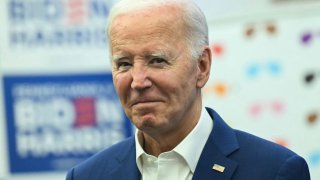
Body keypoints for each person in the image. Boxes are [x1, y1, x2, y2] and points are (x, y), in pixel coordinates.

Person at [66, 0, 311, 179]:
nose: (138, 81)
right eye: (124, 64)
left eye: (157, 60)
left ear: (201, 67)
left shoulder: (274, 171)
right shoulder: (88, 176)